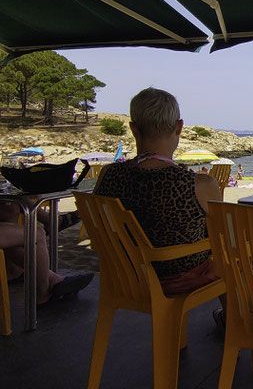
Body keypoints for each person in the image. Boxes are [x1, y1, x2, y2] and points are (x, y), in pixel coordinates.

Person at [94, 88, 225, 330]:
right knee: (233, 260)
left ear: (134, 129)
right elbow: (224, 238)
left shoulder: (108, 175)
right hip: (178, 279)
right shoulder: (198, 184)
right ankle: (232, 321)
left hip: (125, 276)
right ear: (179, 127)